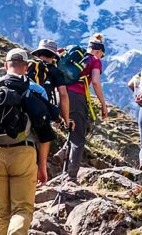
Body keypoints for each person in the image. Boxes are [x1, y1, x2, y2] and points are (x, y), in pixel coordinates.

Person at [0, 48, 55, 235]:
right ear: (26, 67)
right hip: (24, 154)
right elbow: (44, 132)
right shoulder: (36, 90)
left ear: (5, 65)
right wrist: (42, 165)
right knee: (22, 210)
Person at [62, 33, 109, 182]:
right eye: (102, 55)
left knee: (71, 128)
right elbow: (95, 82)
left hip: (61, 94)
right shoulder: (95, 60)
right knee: (79, 138)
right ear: (98, 51)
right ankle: (71, 177)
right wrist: (103, 104)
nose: (101, 58)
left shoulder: (75, 57)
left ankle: (61, 155)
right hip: (77, 98)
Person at [29, 39, 72, 128]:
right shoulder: (56, 72)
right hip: (42, 111)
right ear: (53, 56)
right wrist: (66, 121)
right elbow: (63, 95)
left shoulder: (28, 66)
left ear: (37, 53)